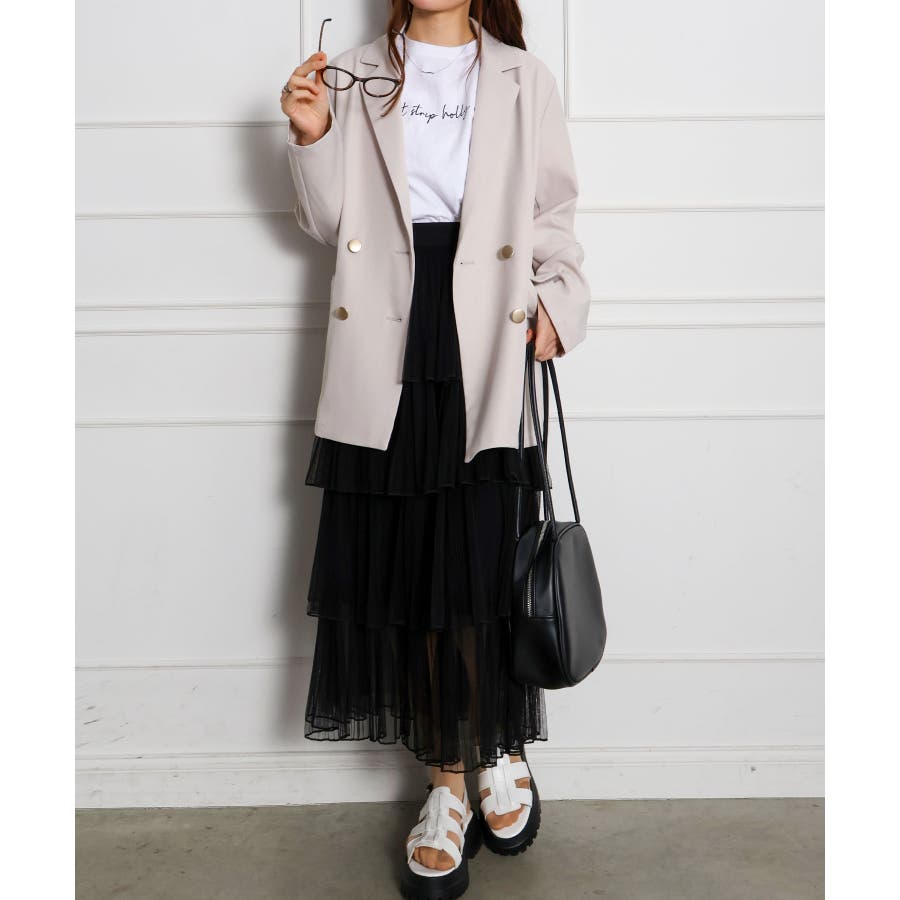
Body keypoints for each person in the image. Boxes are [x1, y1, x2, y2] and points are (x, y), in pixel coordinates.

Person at [280, 2, 590, 897]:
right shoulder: (355, 70)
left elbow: (554, 210)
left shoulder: (524, 77)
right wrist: (312, 134)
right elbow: (330, 223)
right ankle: (448, 785)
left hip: (489, 325)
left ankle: (499, 747)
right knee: (412, 565)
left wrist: (561, 303)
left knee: (487, 555)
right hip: (387, 328)